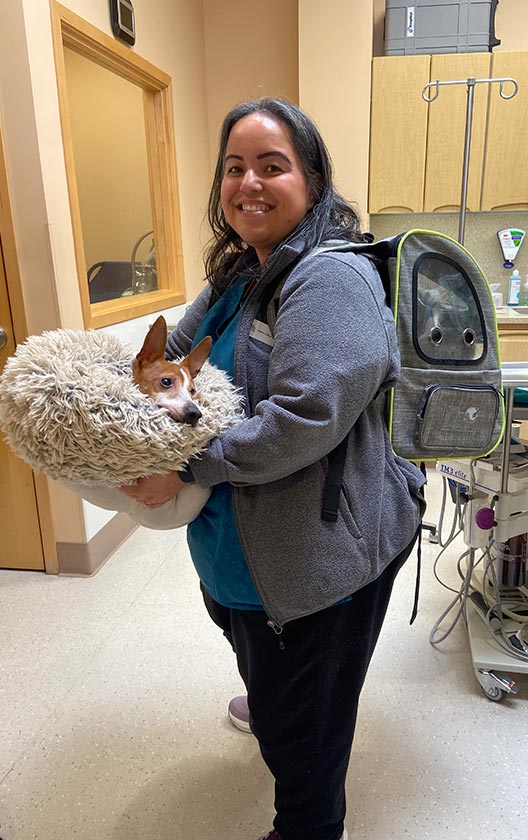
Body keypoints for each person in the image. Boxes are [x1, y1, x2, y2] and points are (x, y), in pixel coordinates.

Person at [121, 97, 426, 840]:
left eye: (272, 166)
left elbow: (302, 422)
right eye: (234, 168)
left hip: (315, 563)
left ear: (314, 183)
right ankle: (276, 695)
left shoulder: (329, 281)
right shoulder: (237, 279)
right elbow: (167, 357)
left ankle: (308, 820)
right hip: (242, 553)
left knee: (308, 745)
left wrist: (188, 469)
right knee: (255, 648)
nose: (248, 183)